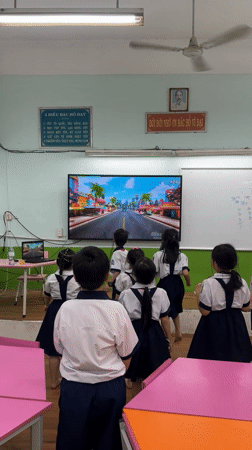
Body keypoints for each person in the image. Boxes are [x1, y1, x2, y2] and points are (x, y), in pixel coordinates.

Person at [54, 246, 138, 450]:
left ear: (74, 276)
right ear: (108, 275)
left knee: (71, 441)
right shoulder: (117, 310)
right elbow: (127, 354)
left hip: (74, 388)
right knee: (109, 442)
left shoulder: (65, 309)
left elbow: (59, 349)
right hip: (110, 388)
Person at [187, 243, 252, 362]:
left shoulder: (208, 283)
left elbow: (205, 311)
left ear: (214, 263)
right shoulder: (241, 282)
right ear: (234, 262)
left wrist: (198, 294)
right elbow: (246, 308)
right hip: (236, 324)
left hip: (214, 325)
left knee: (212, 360)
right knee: (236, 360)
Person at [119, 257, 172, 385]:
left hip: (133, 335)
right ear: (154, 275)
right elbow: (165, 318)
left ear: (134, 274)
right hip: (155, 335)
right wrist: (168, 339)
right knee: (155, 375)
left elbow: (122, 322)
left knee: (135, 375)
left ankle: (135, 403)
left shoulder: (126, 294)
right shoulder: (161, 293)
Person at [36, 248, 80, 389]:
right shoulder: (77, 278)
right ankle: (72, 379)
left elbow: (47, 295)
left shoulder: (50, 278)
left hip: (54, 311)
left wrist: (46, 305)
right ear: (74, 264)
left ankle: (54, 381)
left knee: (52, 350)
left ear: (57, 262)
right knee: (72, 347)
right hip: (73, 311)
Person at [153, 228, 191, 343]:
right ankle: (178, 331)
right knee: (175, 308)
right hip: (178, 284)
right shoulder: (182, 255)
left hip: (164, 284)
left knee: (164, 311)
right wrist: (188, 282)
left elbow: (154, 272)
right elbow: (185, 272)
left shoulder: (158, 255)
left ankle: (167, 335)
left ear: (163, 240)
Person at [109, 228, 129, 299]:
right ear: (126, 241)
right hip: (127, 282)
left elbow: (117, 271)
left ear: (114, 240)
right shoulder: (127, 252)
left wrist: (110, 283)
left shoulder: (116, 253)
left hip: (118, 284)